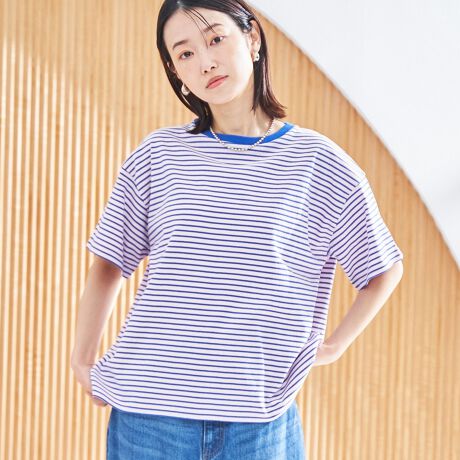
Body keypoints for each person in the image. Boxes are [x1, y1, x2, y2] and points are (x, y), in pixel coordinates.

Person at [71, 0, 404, 458]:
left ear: (252, 38)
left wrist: (332, 347)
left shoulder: (318, 163)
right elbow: (109, 263)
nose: (205, 62)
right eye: (185, 53)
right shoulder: (159, 155)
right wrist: (82, 358)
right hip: (149, 416)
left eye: (215, 39)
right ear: (175, 70)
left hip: (260, 419)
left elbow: (382, 270)